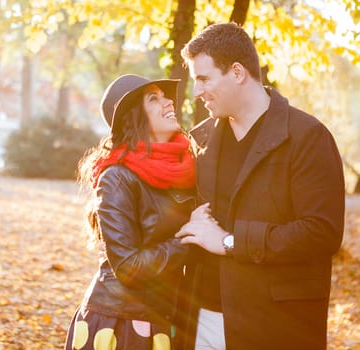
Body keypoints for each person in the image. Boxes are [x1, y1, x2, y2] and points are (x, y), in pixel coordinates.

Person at [175, 22, 345, 350]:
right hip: (204, 318)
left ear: (237, 72)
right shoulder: (202, 138)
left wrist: (229, 242)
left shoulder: (308, 137)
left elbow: (321, 232)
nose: (197, 91)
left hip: (275, 325)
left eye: (204, 79)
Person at [64, 74, 198, 350]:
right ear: (134, 116)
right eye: (154, 98)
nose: (168, 103)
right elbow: (127, 268)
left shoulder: (187, 168)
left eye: (166, 96)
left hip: (167, 317)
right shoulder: (117, 177)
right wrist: (189, 238)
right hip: (120, 322)